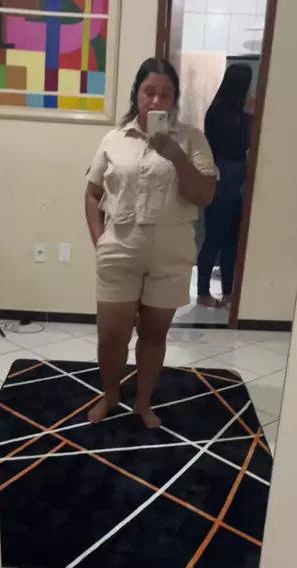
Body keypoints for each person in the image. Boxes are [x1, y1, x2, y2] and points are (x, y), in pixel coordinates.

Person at [85, 58, 217, 428]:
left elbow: (205, 195)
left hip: (170, 255)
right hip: (119, 249)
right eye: (149, 92)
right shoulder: (114, 139)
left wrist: (175, 155)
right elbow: (92, 193)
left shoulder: (191, 139)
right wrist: (100, 241)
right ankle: (111, 396)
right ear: (137, 95)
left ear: (175, 99)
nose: (156, 101)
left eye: (165, 94)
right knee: (111, 335)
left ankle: (143, 404)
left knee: (154, 334)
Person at [197, 64, 253, 309]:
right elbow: (242, 143)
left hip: (233, 178)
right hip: (224, 178)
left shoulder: (226, 111)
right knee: (216, 238)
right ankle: (204, 292)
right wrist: (250, 116)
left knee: (231, 239)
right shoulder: (223, 113)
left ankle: (228, 291)